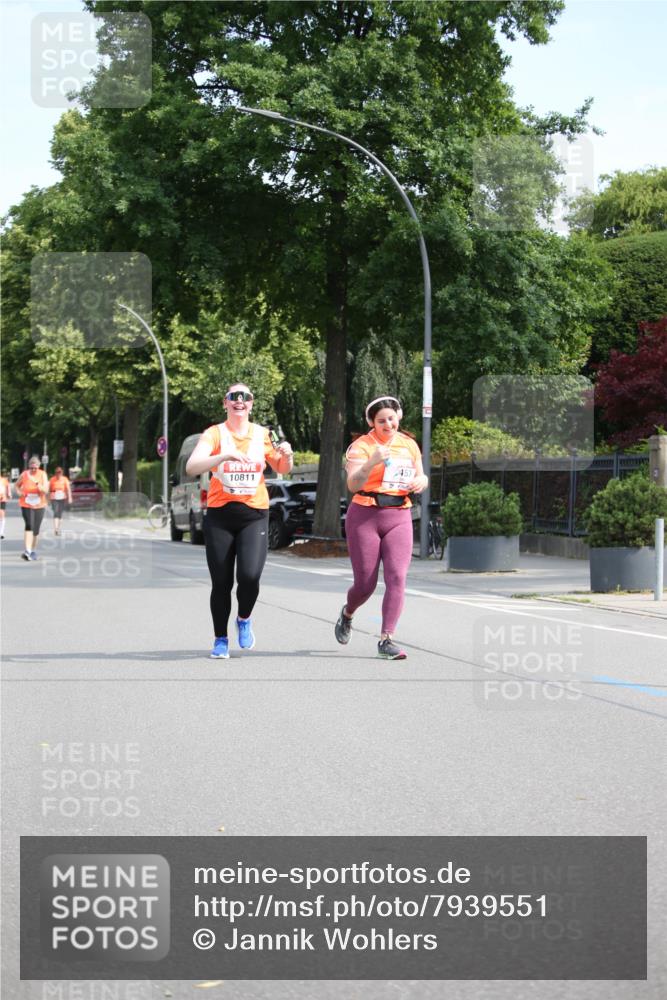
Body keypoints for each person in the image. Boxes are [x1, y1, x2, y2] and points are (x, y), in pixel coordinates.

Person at [186, 383, 294, 658]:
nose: (239, 401)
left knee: (249, 576)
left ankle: (244, 618)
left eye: (245, 397)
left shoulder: (262, 435)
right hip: (221, 515)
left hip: (254, 515)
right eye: (233, 397)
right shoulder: (215, 434)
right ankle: (220, 639)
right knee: (221, 582)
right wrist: (224, 455)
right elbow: (191, 467)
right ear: (225, 403)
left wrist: (288, 456)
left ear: (251, 404)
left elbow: (282, 468)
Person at [334, 396, 428, 660]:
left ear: (399, 416)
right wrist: (371, 462)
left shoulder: (409, 444)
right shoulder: (361, 446)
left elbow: (420, 474)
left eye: (392, 418)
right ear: (371, 423)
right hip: (365, 514)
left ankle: (387, 639)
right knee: (365, 584)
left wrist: (422, 480)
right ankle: (348, 613)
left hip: (399, 514)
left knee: (397, 577)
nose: (388, 424)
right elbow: (353, 484)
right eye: (381, 420)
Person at [16, 456, 49, 560]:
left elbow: (46, 490)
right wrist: (19, 492)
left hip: (40, 504)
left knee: (36, 529)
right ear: (29, 466)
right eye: (32, 468)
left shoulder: (43, 474)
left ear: (39, 466)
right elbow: (16, 485)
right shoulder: (24, 474)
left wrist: (41, 488)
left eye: (35, 468)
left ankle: (33, 551)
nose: (33, 470)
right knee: (29, 525)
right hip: (26, 503)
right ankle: (27, 551)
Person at [48, 466, 72, 536]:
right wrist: (48, 498)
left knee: (60, 514)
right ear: (55, 473)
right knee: (55, 512)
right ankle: (56, 529)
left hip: (62, 496)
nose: (58, 474)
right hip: (54, 496)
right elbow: (49, 490)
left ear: (62, 473)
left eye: (60, 472)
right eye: (57, 473)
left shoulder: (65, 479)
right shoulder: (52, 479)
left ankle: (58, 528)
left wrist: (70, 497)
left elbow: (68, 489)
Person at [0, 471, 11, 539]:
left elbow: (8, 488)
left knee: (1, 514)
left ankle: (1, 532)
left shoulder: (4, 480)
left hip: (2, 499)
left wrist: (9, 494)